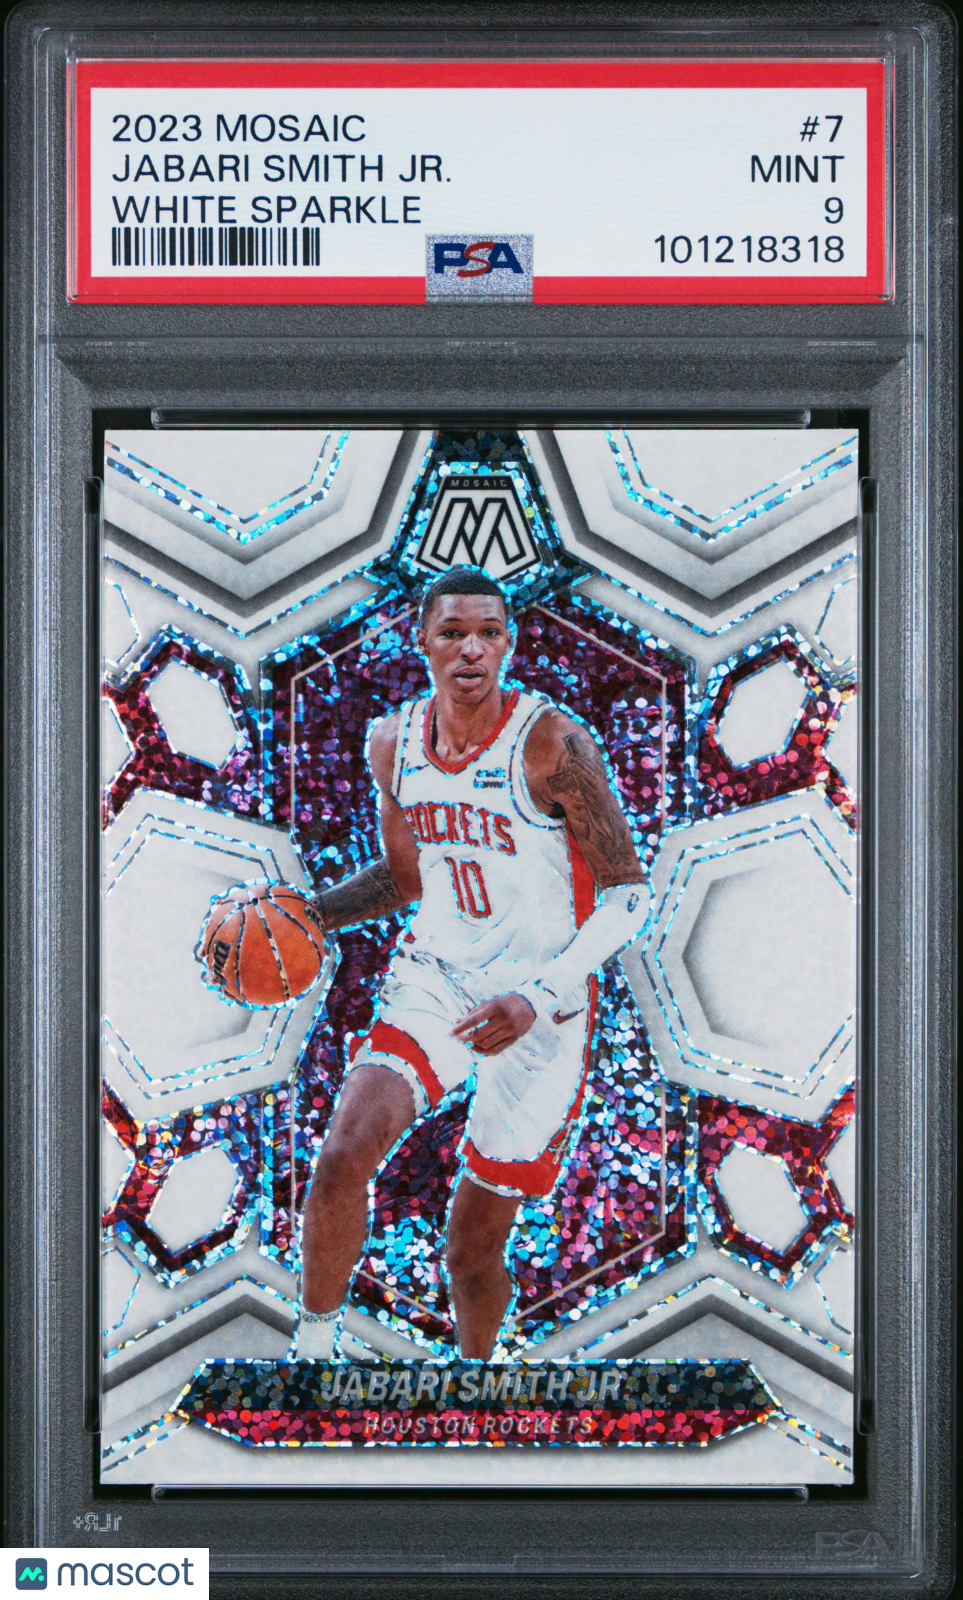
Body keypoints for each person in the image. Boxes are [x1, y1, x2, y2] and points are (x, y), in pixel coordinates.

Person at [294, 569, 649, 1361]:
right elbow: (405, 880)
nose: (470, 649)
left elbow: (629, 896)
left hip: (542, 1004)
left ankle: (475, 1386)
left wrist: (536, 995)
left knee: (470, 1250)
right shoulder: (392, 744)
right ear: (422, 640)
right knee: (342, 1155)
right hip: (438, 978)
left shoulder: (551, 743)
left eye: (488, 633)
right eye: (452, 632)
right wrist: (307, 915)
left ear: (507, 644)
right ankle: (310, 1360)